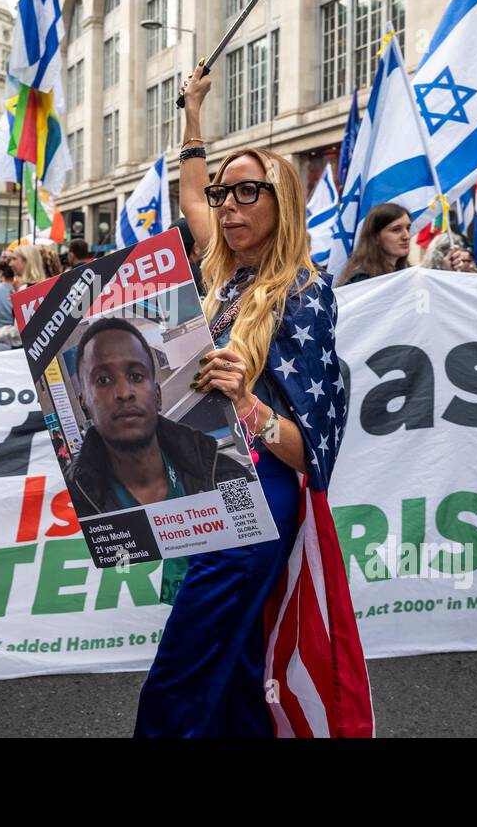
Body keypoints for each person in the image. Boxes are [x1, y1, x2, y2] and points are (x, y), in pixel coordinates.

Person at [128, 63, 372, 739]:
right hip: (202, 483)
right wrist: (193, 112)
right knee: (232, 666)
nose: (228, 205)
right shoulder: (216, 272)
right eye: (223, 194)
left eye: (246, 192)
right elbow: (189, 193)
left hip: (260, 495)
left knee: (182, 669)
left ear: (280, 201)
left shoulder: (303, 293)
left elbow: (313, 449)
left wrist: (249, 405)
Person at [66, 317, 253, 517]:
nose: (124, 393)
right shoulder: (71, 500)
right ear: (83, 402)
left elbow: (258, 541)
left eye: (136, 376)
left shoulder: (226, 476)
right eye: (103, 379)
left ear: (158, 396)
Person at [339, 204, 411, 284]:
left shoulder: (406, 273)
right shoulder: (361, 279)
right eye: (396, 230)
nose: (406, 236)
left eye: (408, 228)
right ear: (375, 237)